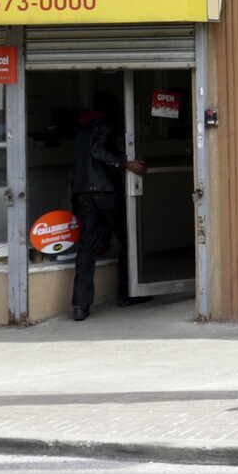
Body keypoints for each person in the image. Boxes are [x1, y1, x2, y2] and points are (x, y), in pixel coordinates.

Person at [69, 96, 145, 321]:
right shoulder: (105, 124)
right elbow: (97, 151)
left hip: (83, 193)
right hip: (105, 192)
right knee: (127, 240)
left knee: (87, 248)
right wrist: (126, 163)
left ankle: (80, 305)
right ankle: (127, 293)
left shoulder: (82, 129)